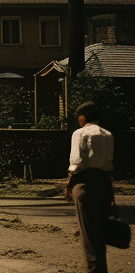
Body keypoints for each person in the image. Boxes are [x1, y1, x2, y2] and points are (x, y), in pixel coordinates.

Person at [65, 101, 114, 273]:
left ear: (83, 117)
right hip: (104, 184)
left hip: (85, 184)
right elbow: (108, 163)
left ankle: (94, 270)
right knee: (100, 232)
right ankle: (102, 269)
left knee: (89, 234)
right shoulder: (108, 134)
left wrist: (69, 183)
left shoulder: (80, 133)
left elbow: (77, 162)